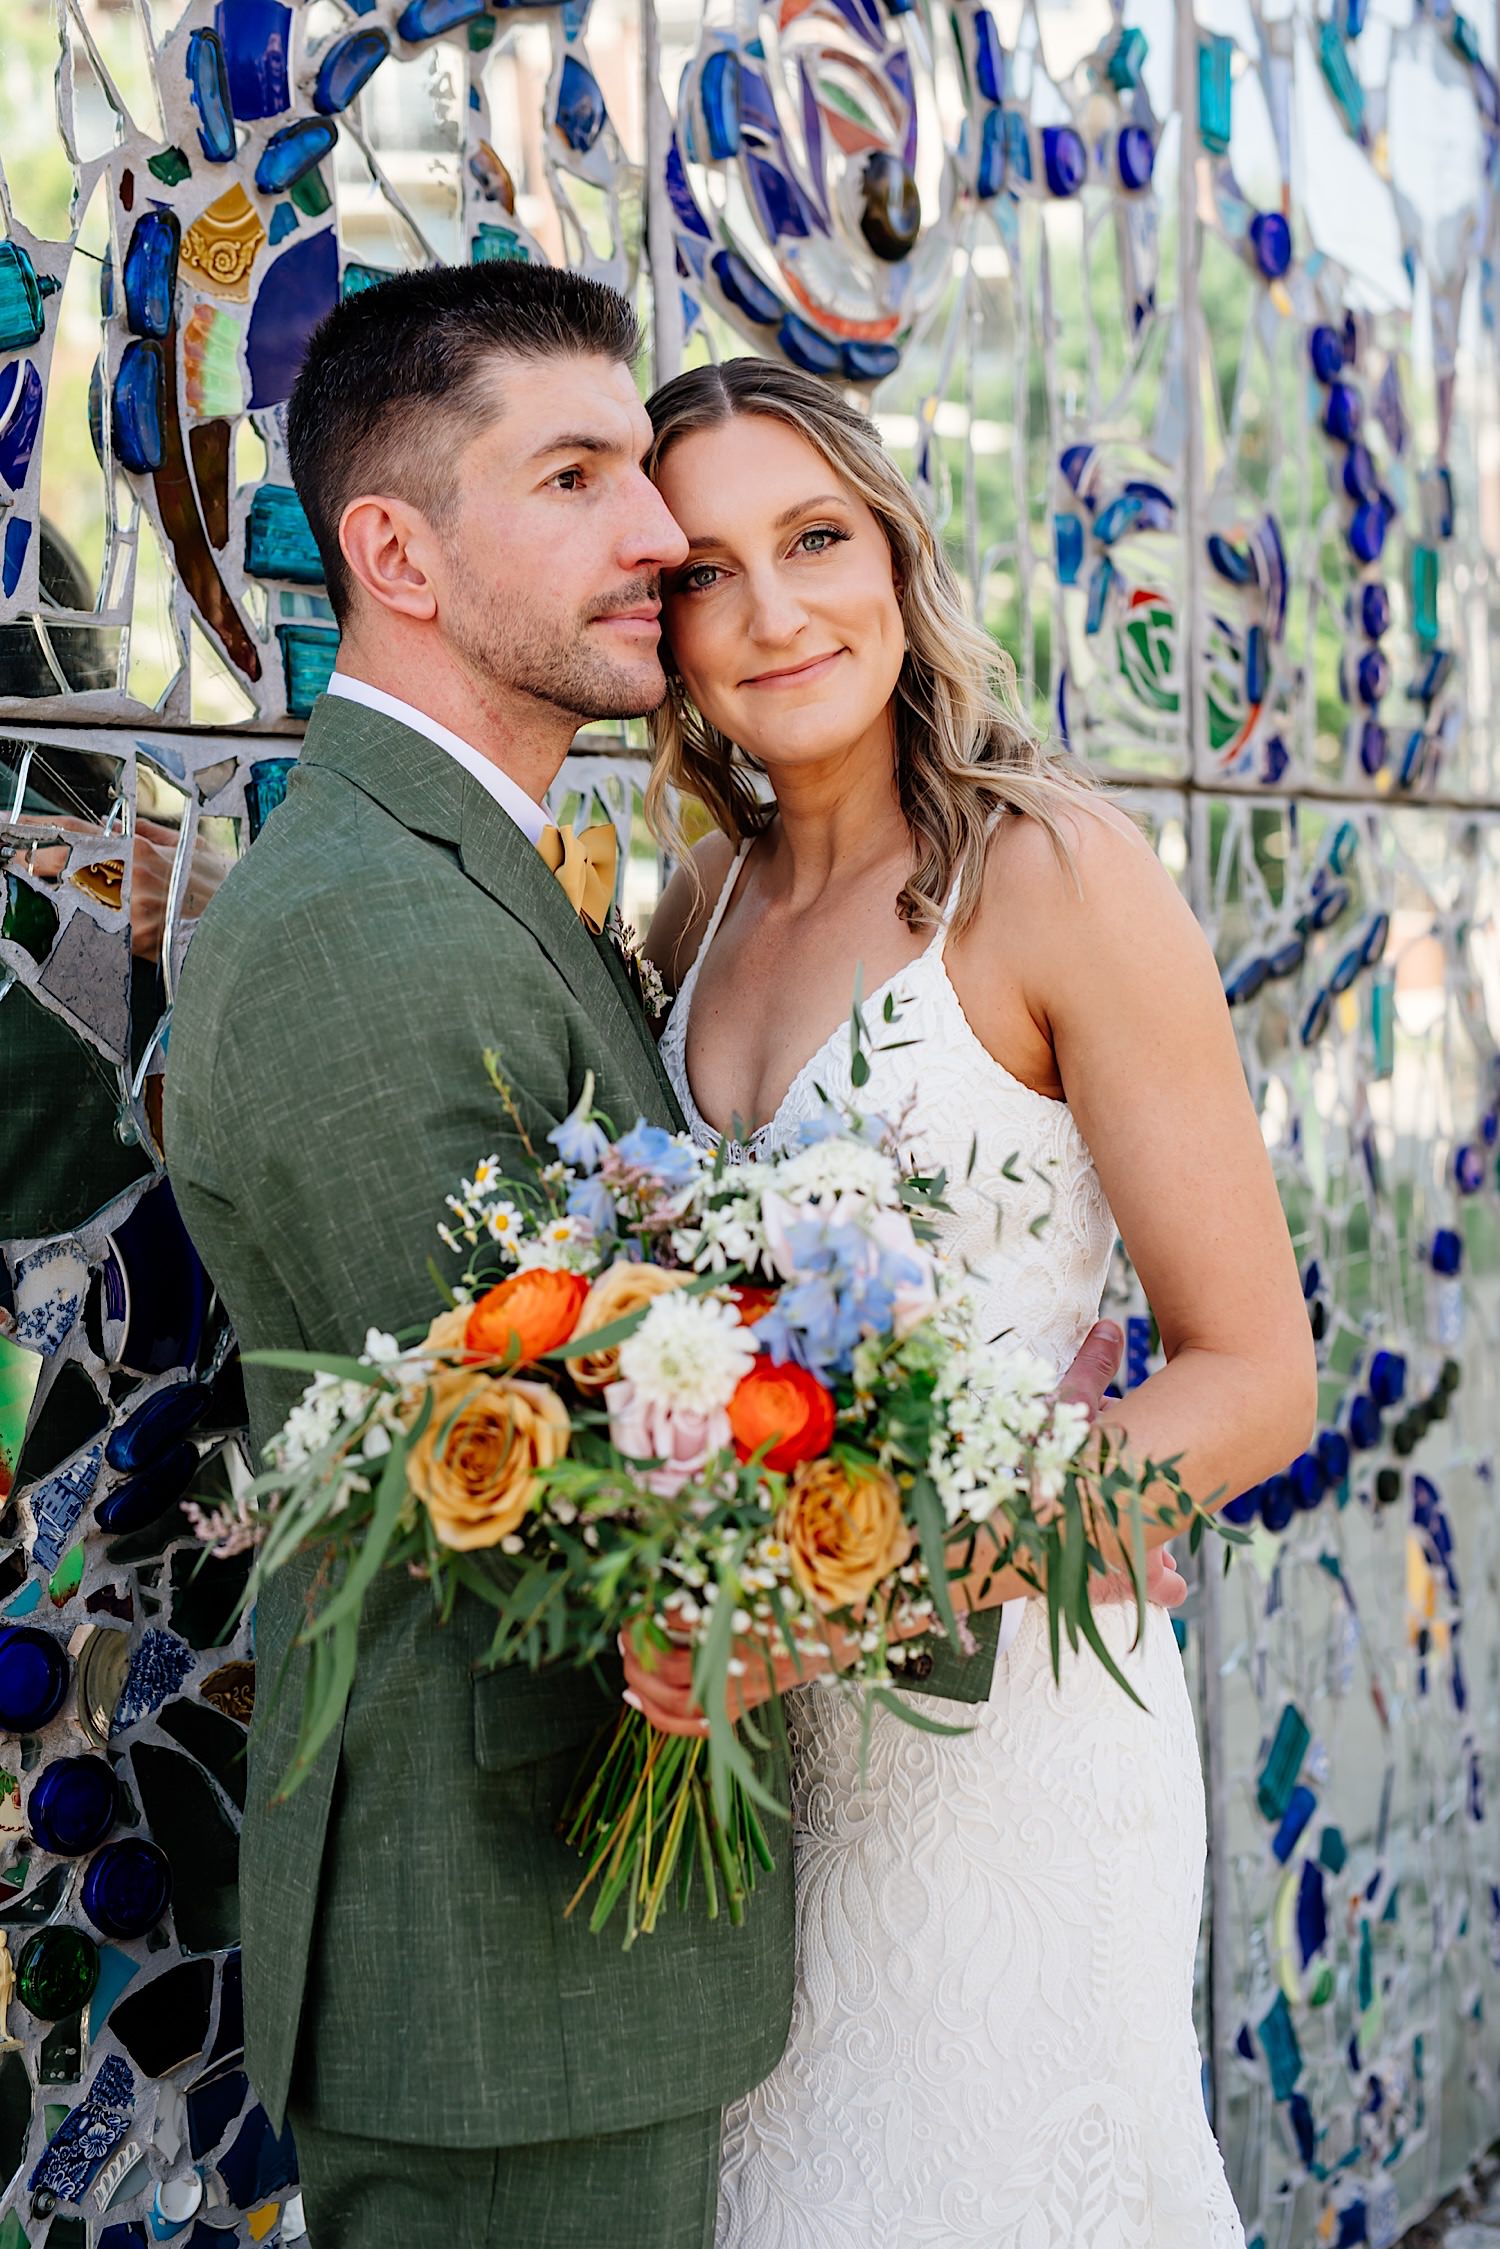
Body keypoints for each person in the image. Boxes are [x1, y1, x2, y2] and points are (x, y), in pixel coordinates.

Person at [164, 265, 1135, 2249]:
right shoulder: (365, 922)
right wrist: (1031, 1513)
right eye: (580, 475)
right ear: (392, 554)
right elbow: (547, 1478)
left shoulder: (529, 882)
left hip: (652, 1939)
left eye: (656, 483)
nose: (659, 539)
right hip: (507, 1970)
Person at [637, 356, 1317, 2247]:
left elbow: (1257, 1381)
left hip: (1012, 1727)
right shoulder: (692, 916)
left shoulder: (1055, 875)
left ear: (896, 554)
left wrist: (845, 1590)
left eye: (815, 537)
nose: (775, 612)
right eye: (705, 570)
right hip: (769, 1770)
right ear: (664, 624)